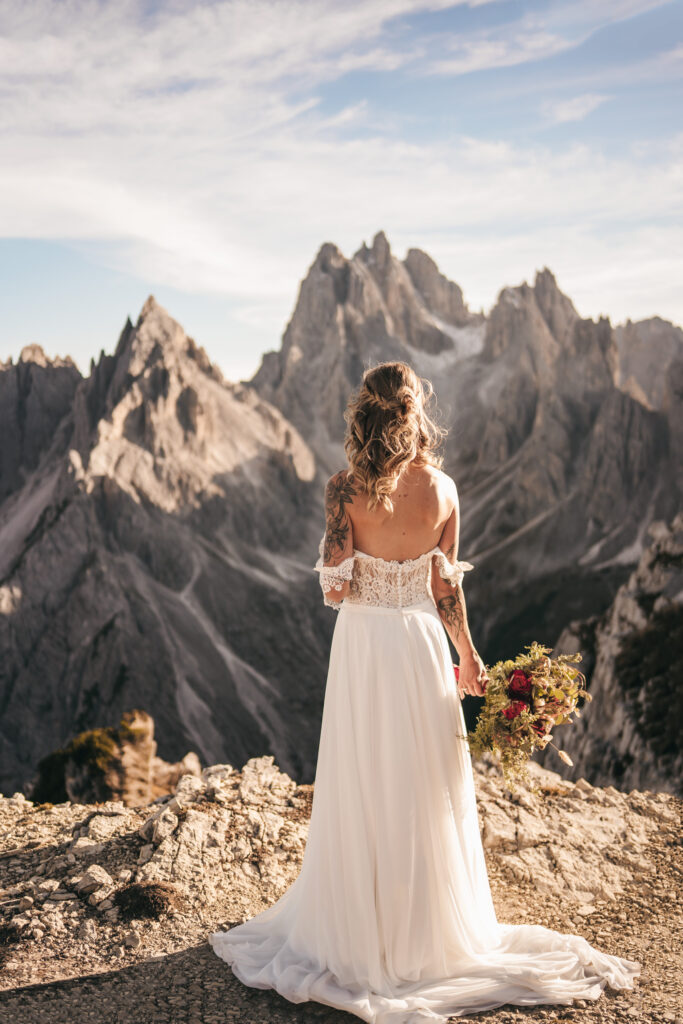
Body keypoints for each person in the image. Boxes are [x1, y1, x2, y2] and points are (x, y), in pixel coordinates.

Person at [209, 361, 640, 1021]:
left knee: (363, 779)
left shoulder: (341, 490)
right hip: (418, 646)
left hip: (362, 650)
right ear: (415, 414)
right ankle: (429, 934)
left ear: (365, 415)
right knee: (423, 785)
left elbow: (332, 587)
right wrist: (466, 656)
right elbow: (447, 591)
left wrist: (359, 561)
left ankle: (359, 930)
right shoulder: (444, 489)